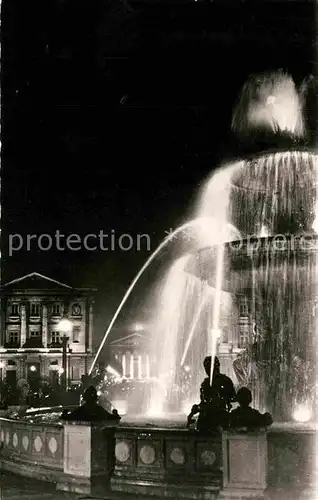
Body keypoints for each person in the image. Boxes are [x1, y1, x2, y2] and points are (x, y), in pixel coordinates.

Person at [187, 356, 236, 431]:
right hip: (209, 417)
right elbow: (204, 402)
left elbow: (233, 398)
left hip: (216, 417)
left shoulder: (224, 381)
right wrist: (196, 408)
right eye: (206, 367)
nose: (207, 370)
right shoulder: (206, 383)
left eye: (208, 367)